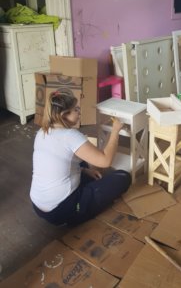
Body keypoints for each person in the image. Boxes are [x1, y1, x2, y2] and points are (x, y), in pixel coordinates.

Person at [30, 91, 131, 226]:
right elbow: (106, 161)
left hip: (39, 206)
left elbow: (57, 163)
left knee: (83, 163)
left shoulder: (42, 131)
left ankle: (84, 196)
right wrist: (115, 131)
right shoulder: (70, 136)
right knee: (123, 177)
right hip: (62, 210)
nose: (79, 112)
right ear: (63, 115)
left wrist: (83, 170)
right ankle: (75, 215)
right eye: (75, 110)